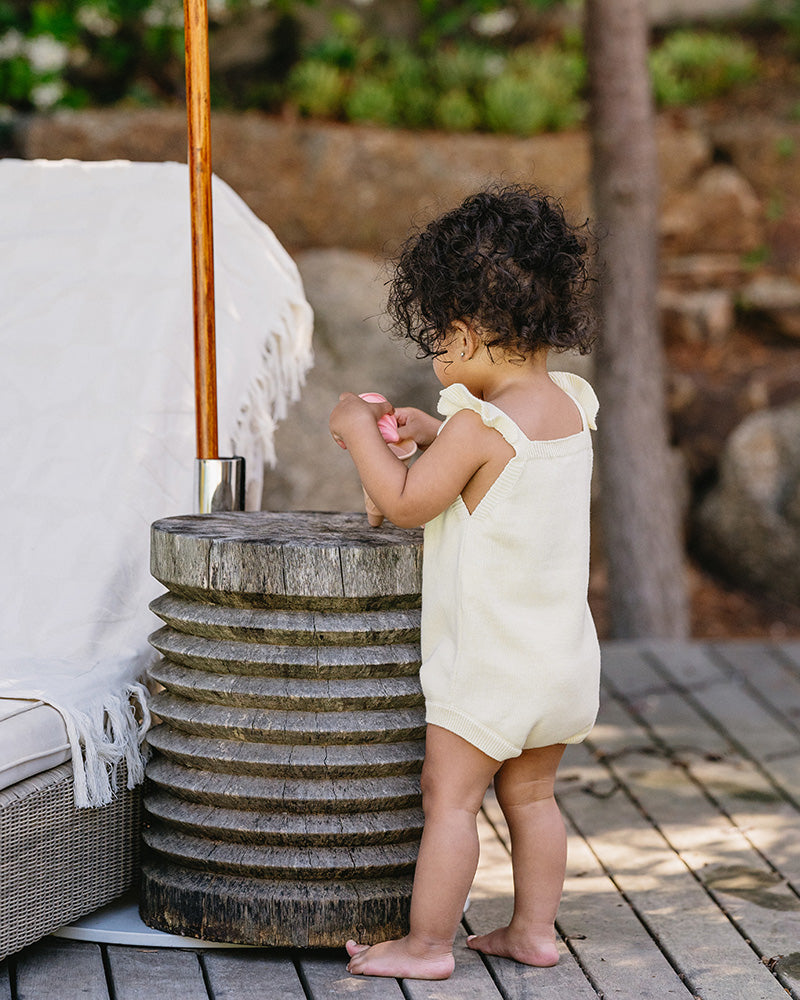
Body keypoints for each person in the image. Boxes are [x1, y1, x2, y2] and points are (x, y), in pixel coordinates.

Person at [328, 184, 601, 981]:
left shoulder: (481, 426)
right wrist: (433, 428)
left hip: (487, 670)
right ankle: (534, 932)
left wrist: (357, 431)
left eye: (442, 342)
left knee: (447, 798)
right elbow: (503, 471)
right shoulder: (571, 405)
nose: (436, 360)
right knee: (534, 799)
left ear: (478, 331)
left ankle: (425, 945)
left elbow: (409, 502)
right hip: (556, 663)